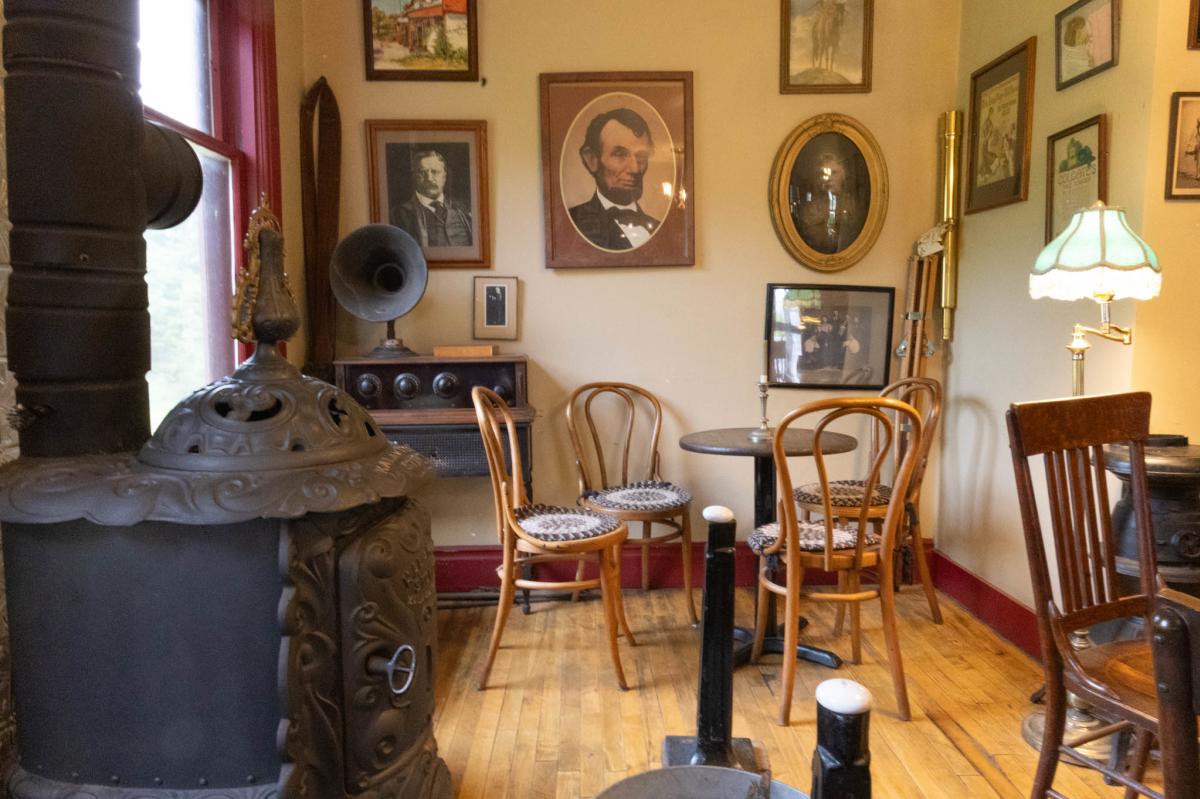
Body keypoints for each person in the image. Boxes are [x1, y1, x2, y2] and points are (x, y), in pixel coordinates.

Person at [568, 107, 660, 250]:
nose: (635, 169)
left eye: (641, 156)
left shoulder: (660, 229)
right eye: (620, 154)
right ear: (592, 159)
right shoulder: (572, 223)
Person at [390, 149, 473, 247]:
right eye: (422, 172)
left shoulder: (462, 210)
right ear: (414, 177)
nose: (429, 178)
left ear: (444, 176)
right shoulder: (400, 215)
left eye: (435, 172)